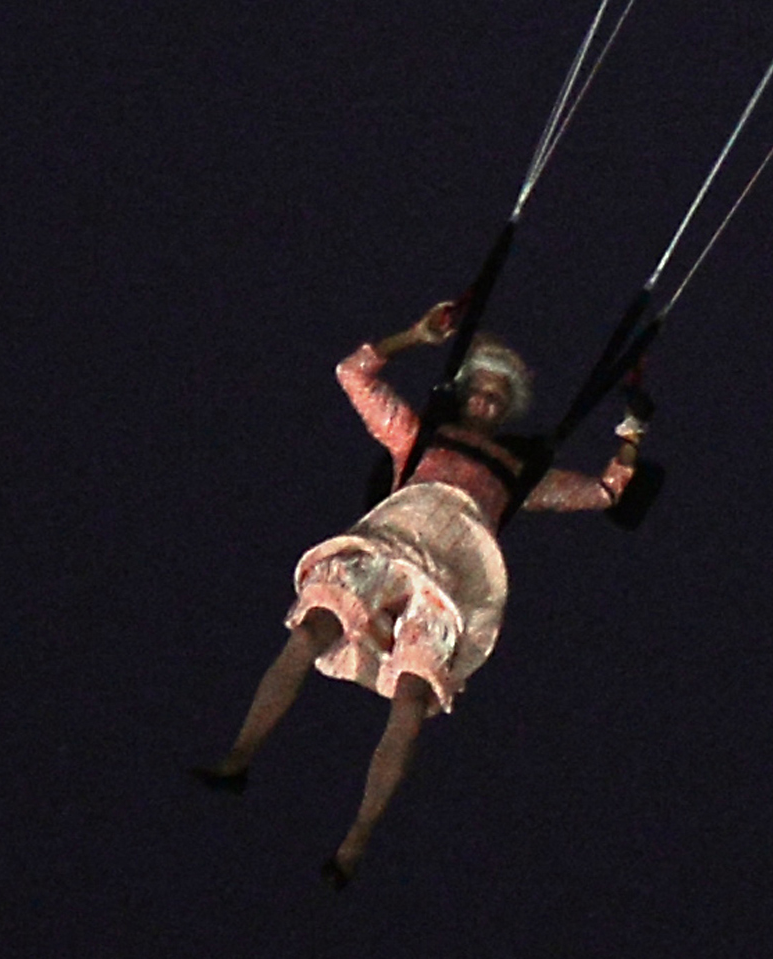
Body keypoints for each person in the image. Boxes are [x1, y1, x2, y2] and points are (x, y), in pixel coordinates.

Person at [196, 301, 646, 886]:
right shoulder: (419, 436)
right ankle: (240, 757)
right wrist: (415, 335)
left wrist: (633, 432)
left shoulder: (517, 471)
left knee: (411, 702)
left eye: (497, 397)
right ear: (462, 395)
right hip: (390, 545)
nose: (486, 401)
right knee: (312, 631)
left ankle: (355, 842)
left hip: (454, 578)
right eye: (479, 391)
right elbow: (352, 374)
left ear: (507, 408)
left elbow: (607, 491)